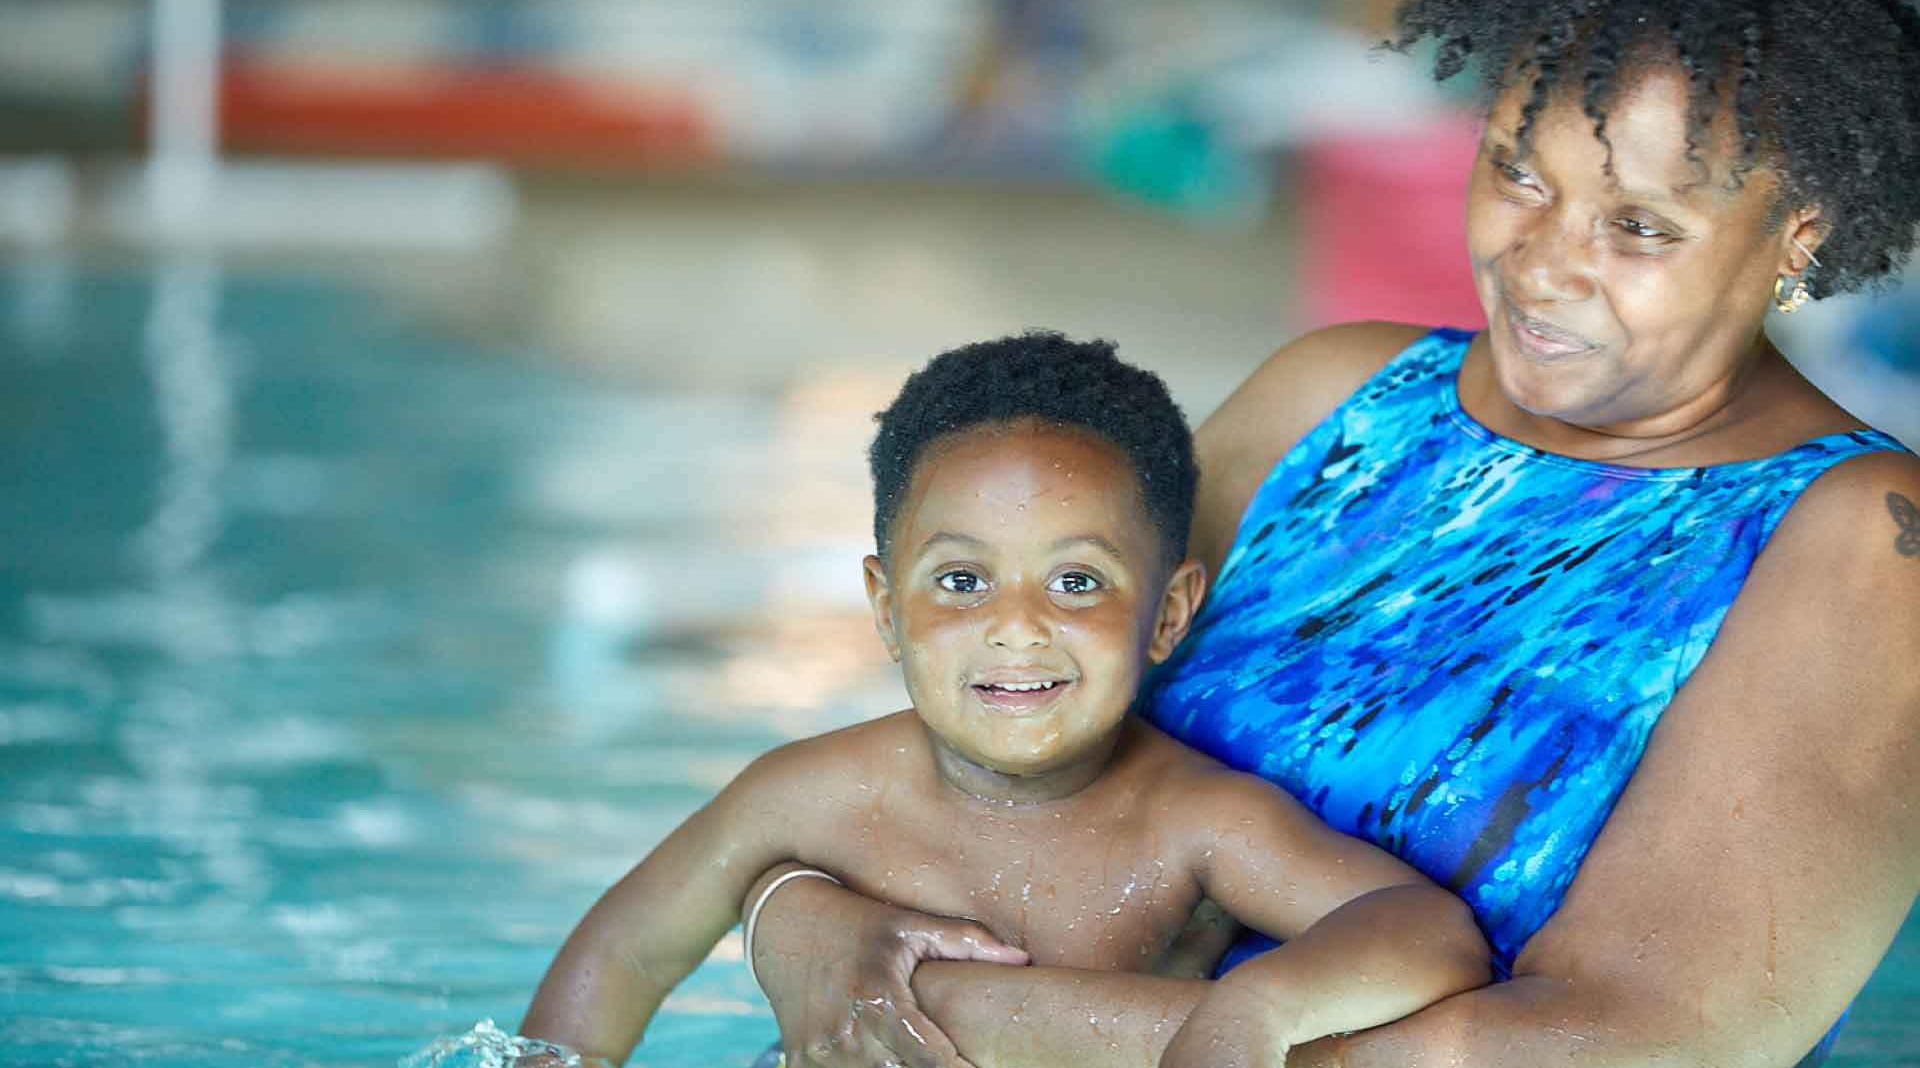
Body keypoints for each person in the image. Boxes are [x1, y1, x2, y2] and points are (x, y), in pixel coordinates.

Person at [741, 0, 1920, 1068]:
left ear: (1799, 231)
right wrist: (802, 920)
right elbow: (949, 752)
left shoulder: (1864, 542)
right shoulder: (1336, 398)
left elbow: (1628, 1042)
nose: (1542, 261)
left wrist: (1002, 1018)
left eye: (1637, 227)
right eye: (1517, 172)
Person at [518, 333, 1491, 1068]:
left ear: (1168, 614)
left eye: (1076, 582)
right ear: (885, 609)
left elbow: (1423, 928)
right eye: (959, 580)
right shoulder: (805, 793)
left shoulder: (1194, 819)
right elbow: (629, 949)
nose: (1016, 626)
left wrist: (1254, 1010)